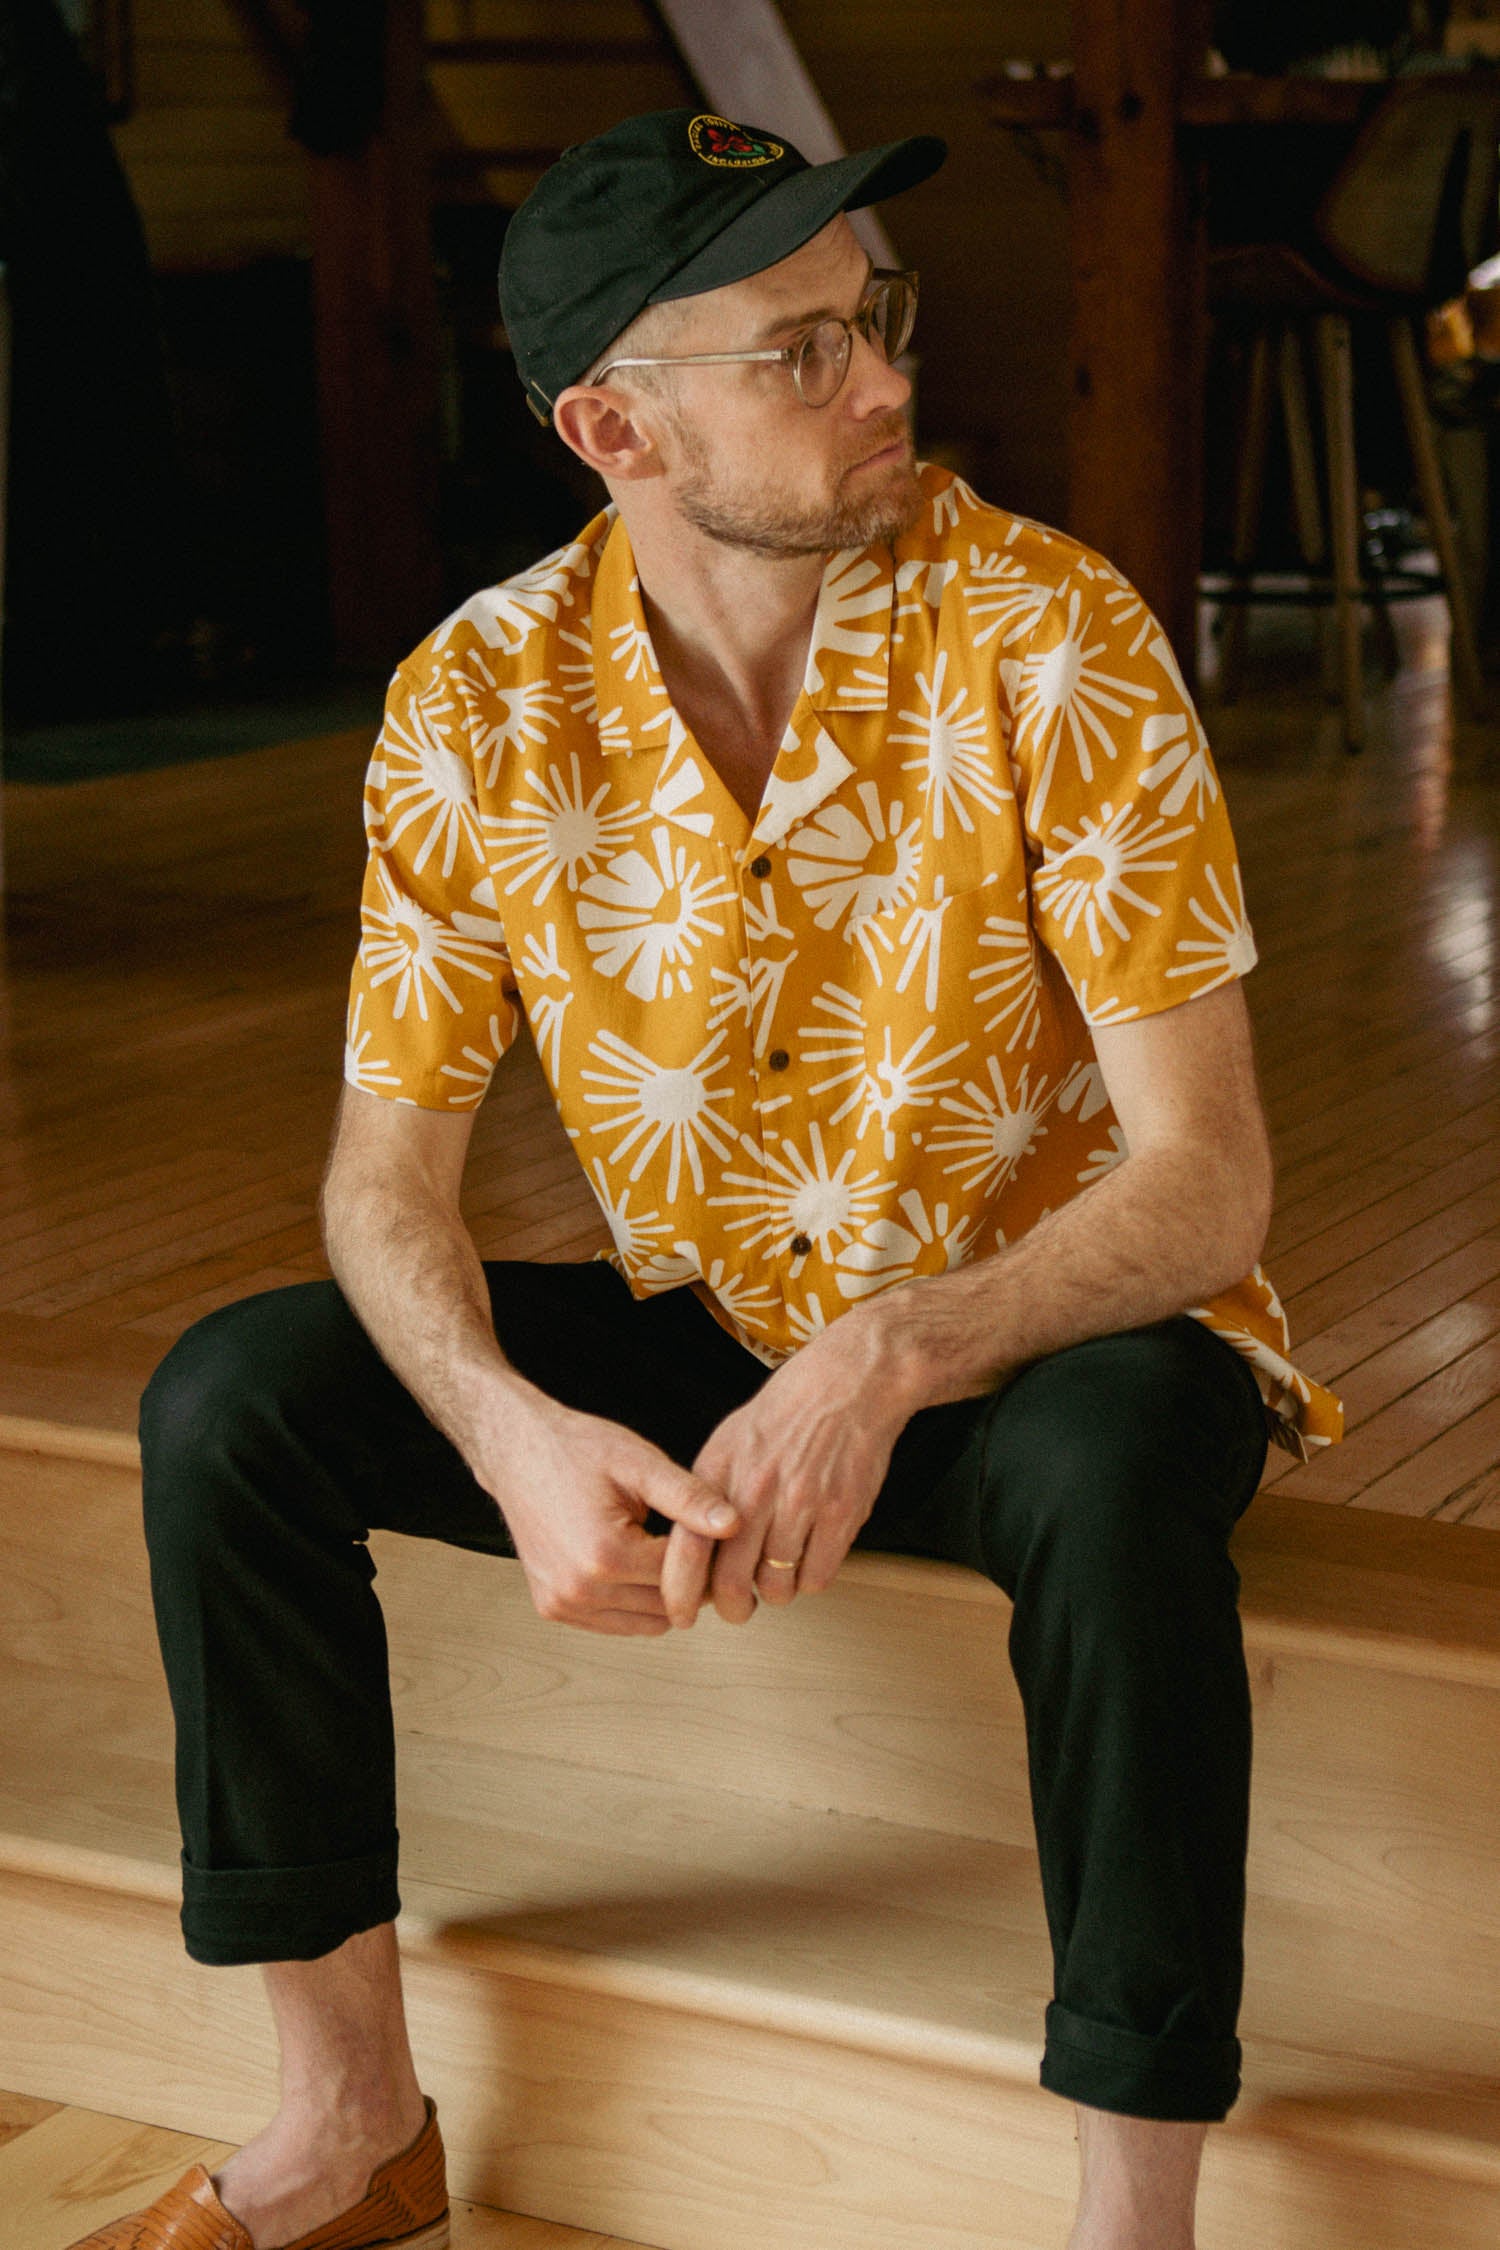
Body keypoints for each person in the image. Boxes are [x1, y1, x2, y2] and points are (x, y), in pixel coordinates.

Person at [78, 109, 1343, 2250]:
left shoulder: (1060, 637)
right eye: (803, 351)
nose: (887, 384)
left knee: (1123, 1471)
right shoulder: (470, 702)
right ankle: (352, 2128)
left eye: (880, 321)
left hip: (1053, 1347)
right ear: (610, 426)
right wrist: (505, 1430)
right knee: (233, 1402)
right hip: (734, 1362)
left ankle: (1138, 2226)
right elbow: (383, 1179)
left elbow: (1209, 1186)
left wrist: (900, 1350)